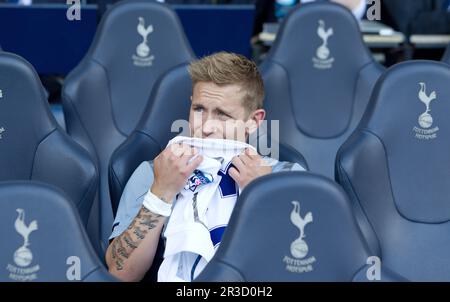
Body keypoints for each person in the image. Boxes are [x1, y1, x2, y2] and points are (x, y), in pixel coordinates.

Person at [105, 52, 305, 282]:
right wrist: (161, 194)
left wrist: (263, 196)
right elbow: (121, 273)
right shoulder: (154, 173)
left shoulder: (287, 178)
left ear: (254, 121)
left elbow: (302, 270)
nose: (206, 127)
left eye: (222, 114)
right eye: (199, 109)